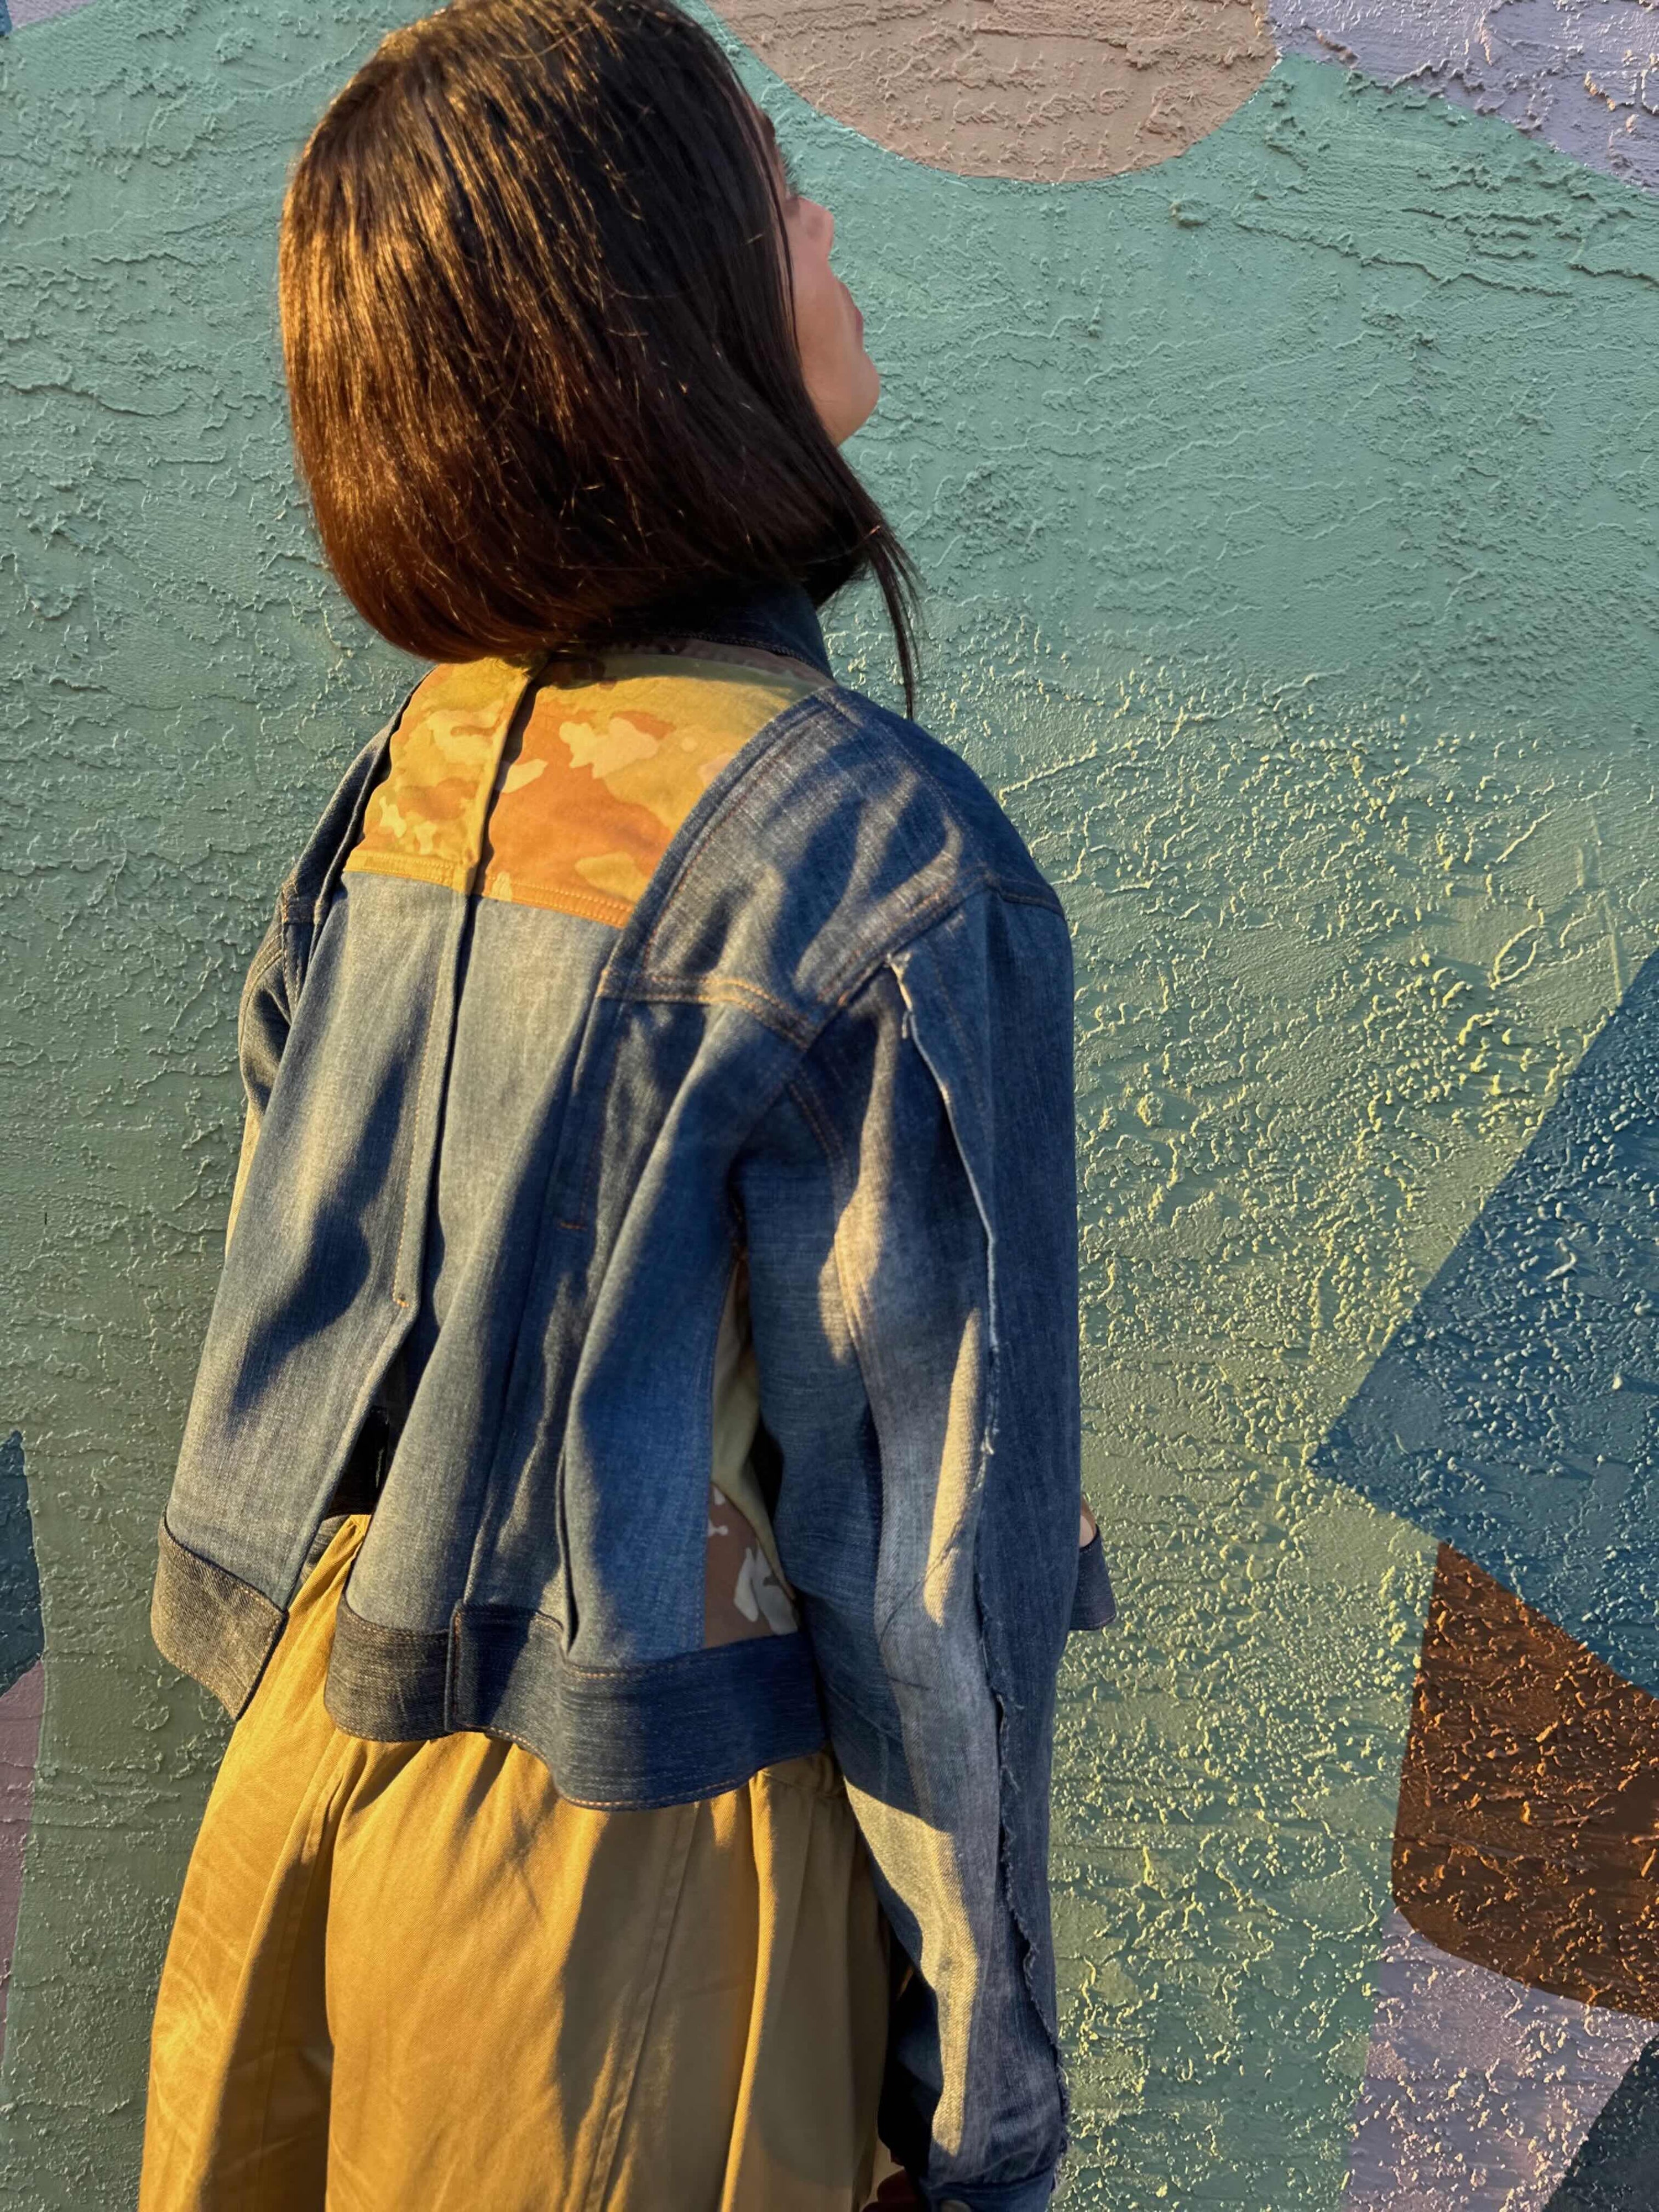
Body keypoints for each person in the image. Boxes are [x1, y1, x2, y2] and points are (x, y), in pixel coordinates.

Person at [138, 3, 1116, 2207]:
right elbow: (928, 1577)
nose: (829, 227)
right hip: (637, 1923)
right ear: (650, 323)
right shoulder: (875, 857)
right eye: (771, 190)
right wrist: (982, 2110)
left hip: (304, 1811)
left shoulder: (421, 769)